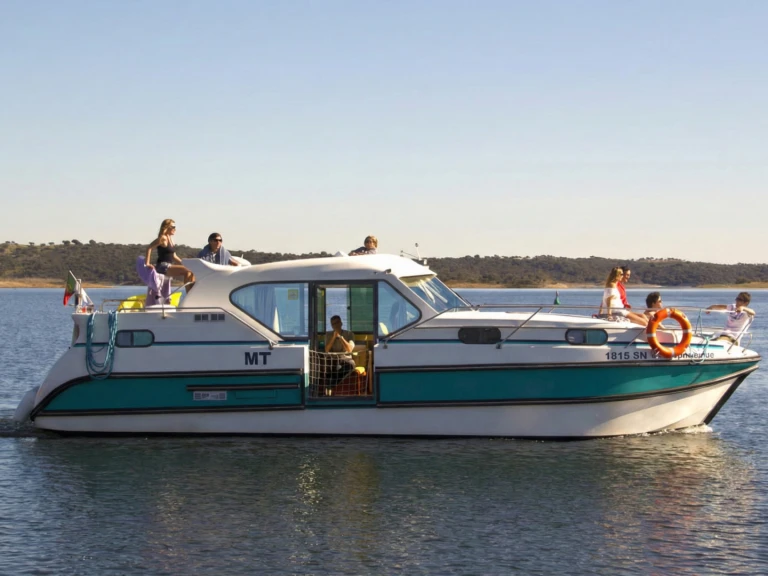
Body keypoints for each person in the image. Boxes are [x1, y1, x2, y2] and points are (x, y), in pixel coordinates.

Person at [145, 219, 195, 292]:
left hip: (168, 265)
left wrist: (186, 264)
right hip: (162, 266)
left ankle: (191, 292)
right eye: (173, 227)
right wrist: (147, 263)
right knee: (189, 271)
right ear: (166, 227)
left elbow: (174, 256)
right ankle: (189, 294)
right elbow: (149, 248)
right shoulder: (163, 238)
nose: (175, 229)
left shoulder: (170, 239)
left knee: (191, 271)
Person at [324, 315, 357, 387]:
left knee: (351, 365)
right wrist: (333, 337)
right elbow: (327, 349)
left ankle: (336, 386)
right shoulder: (328, 334)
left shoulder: (349, 334)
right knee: (328, 367)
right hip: (333, 359)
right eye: (333, 324)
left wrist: (341, 338)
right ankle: (333, 387)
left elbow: (349, 349)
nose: (336, 325)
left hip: (346, 359)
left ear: (341, 323)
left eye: (337, 323)